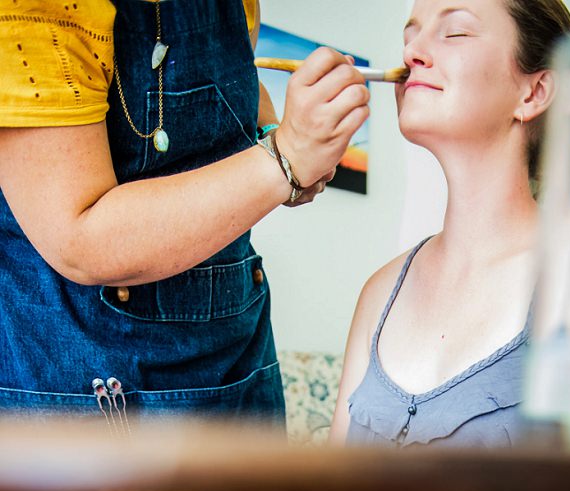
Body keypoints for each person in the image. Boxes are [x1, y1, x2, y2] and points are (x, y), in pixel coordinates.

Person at [0, 0, 368, 425]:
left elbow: (236, 88)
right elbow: (80, 238)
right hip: (90, 379)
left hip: (241, 350)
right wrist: (283, 160)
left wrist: (275, 139)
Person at [330, 0, 570, 449]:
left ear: (533, 93)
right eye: (409, 35)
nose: (412, 53)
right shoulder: (379, 292)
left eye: (454, 32)